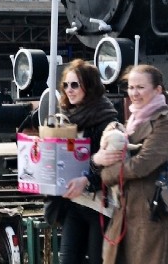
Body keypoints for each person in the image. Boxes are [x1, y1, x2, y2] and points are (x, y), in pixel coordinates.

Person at [92, 64, 168, 264]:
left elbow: (142, 164)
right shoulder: (134, 120)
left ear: (158, 90)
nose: (134, 93)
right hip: (127, 212)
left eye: (140, 87)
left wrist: (107, 174)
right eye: (131, 87)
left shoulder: (165, 122)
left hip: (152, 213)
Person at [44, 59, 118, 264]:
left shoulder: (107, 121)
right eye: (66, 85)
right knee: (67, 260)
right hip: (73, 204)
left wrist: (87, 179)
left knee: (98, 260)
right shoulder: (66, 119)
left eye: (75, 84)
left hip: (100, 206)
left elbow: (112, 166)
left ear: (90, 86)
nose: (69, 90)